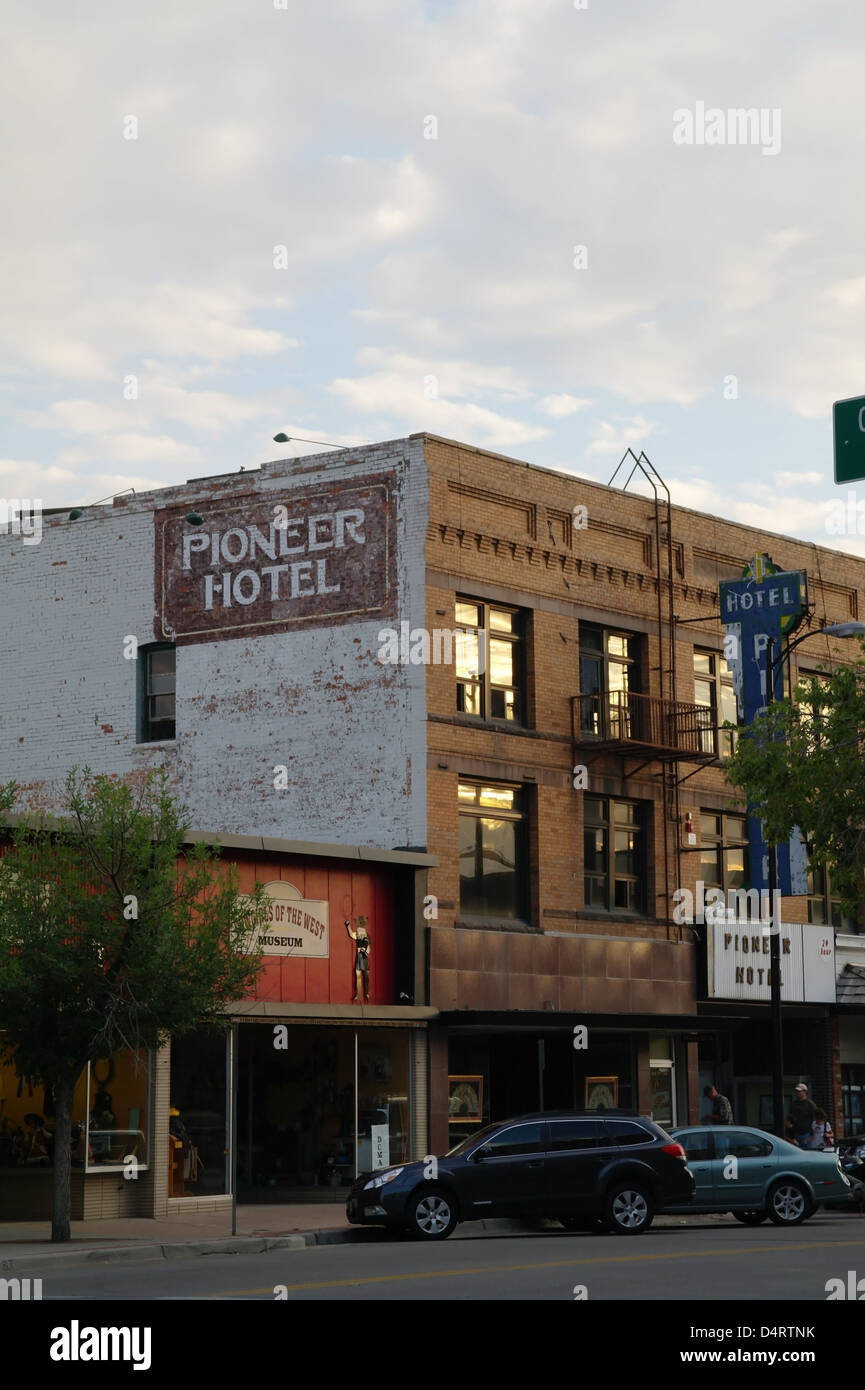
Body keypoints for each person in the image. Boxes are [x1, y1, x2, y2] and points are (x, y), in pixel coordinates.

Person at [344, 916, 371, 1003]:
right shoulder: (358, 934)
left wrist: (365, 952)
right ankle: (357, 994)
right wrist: (347, 925)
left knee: (365, 975)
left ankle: (366, 993)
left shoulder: (366, 935)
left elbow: (369, 946)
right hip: (359, 955)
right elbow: (351, 934)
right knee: (357, 975)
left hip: (364, 956)